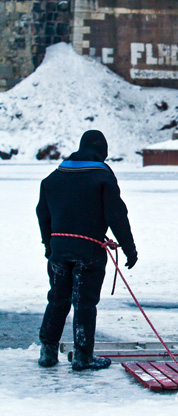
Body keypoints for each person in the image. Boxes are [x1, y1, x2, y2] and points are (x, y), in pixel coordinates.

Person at [36, 130, 138, 371]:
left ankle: (48, 352)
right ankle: (83, 356)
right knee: (84, 302)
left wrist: (47, 245)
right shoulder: (102, 176)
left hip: (58, 248)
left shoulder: (53, 177)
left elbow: (43, 213)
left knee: (57, 299)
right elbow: (117, 215)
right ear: (102, 151)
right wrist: (129, 248)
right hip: (88, 249)